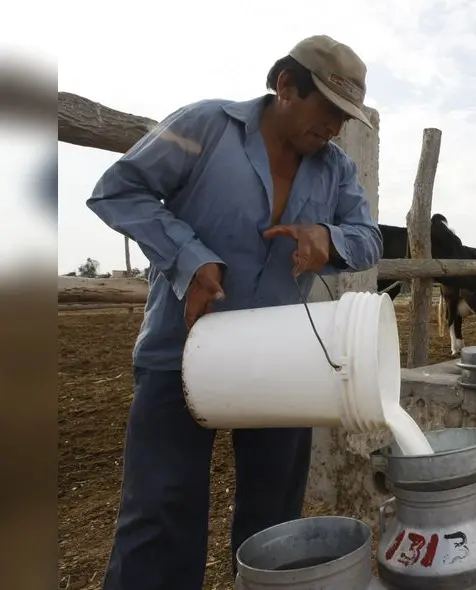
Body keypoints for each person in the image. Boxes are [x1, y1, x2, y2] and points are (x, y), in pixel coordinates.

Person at [86, 35, 383, 590]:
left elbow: (368, 240)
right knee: (160, 514)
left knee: (274, 523)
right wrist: (189, 257)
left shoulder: (336, 169)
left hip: (282, 360)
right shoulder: (204, 127)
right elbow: (117, 191)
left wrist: (328, 238)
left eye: (346, 119)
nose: (335, 129)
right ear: (286, 86)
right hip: (179, 349)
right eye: (328, 111)